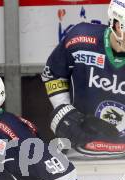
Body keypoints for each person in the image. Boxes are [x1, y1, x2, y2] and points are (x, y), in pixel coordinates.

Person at [42, 0, 125, 159]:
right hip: (78, 150)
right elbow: (52, 74)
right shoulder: (81, 40)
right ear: (116, 26)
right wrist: (65, 111)